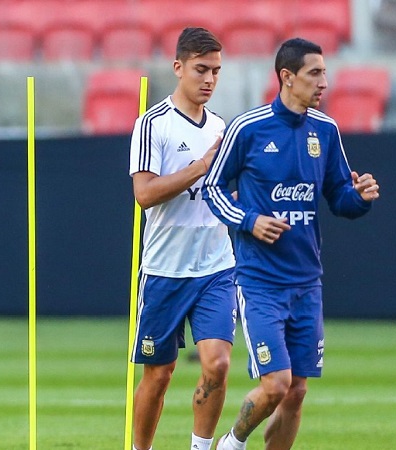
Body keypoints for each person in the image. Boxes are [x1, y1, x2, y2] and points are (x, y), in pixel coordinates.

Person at [203, 38, 380, 450]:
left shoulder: (326, 130)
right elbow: (212, 187)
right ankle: (232, 443)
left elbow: (339, 197)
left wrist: (360, 198)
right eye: (314, 73)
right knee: (277, 384)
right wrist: (250, 221)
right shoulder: (248, 128)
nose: (324, 82)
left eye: (324, 73)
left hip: (306, 282)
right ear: (287, 77)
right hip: (260, 281)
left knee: (297, 391)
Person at [128, 27, 236, 450]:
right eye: (201, 69)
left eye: (216, 71)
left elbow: (226, 194)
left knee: (218, 364)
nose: (209, 79)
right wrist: (199, 167)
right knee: (159, 374)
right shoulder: (153, 124)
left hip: (216, 267)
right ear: (179, 67)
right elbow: (144, 194)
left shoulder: (223, 127)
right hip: (165, 269)